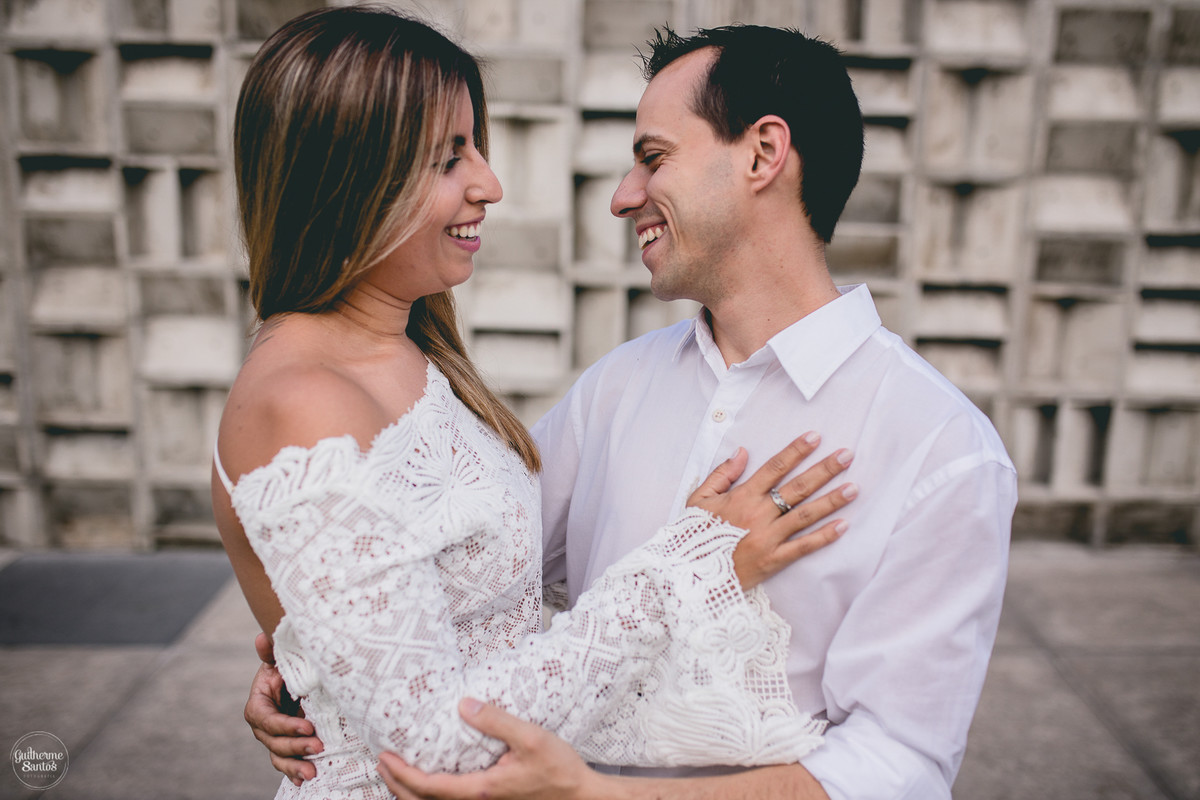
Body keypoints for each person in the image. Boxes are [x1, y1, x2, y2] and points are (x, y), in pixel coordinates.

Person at [214, 8, 859, 800]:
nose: (488, 184)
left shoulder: (411, 356)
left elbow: (475, 585)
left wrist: (325, 657)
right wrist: (690, 572)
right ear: (346, 175)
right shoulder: (301, 401)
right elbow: (431, 747)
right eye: (449, 157)